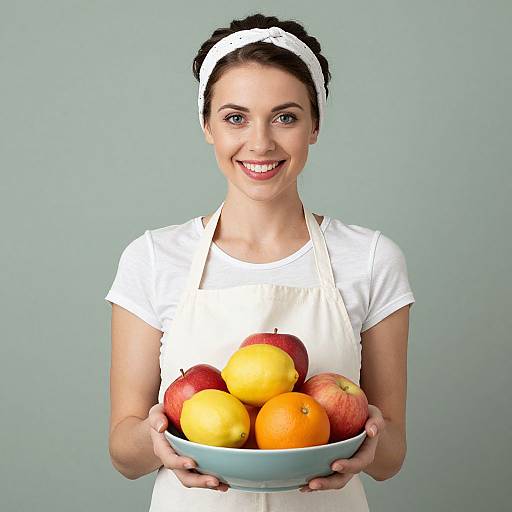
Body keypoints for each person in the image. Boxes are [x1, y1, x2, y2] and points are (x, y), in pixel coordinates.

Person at [105, 13, 415, 512]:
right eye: (235, 117)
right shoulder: (153, 258)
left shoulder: (372, 258)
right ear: (207, 125)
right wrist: (156, 438)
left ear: (315, 126)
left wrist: (373, 440)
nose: (261, 142)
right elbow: (123, 451)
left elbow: (392, 455)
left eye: (286, 117)